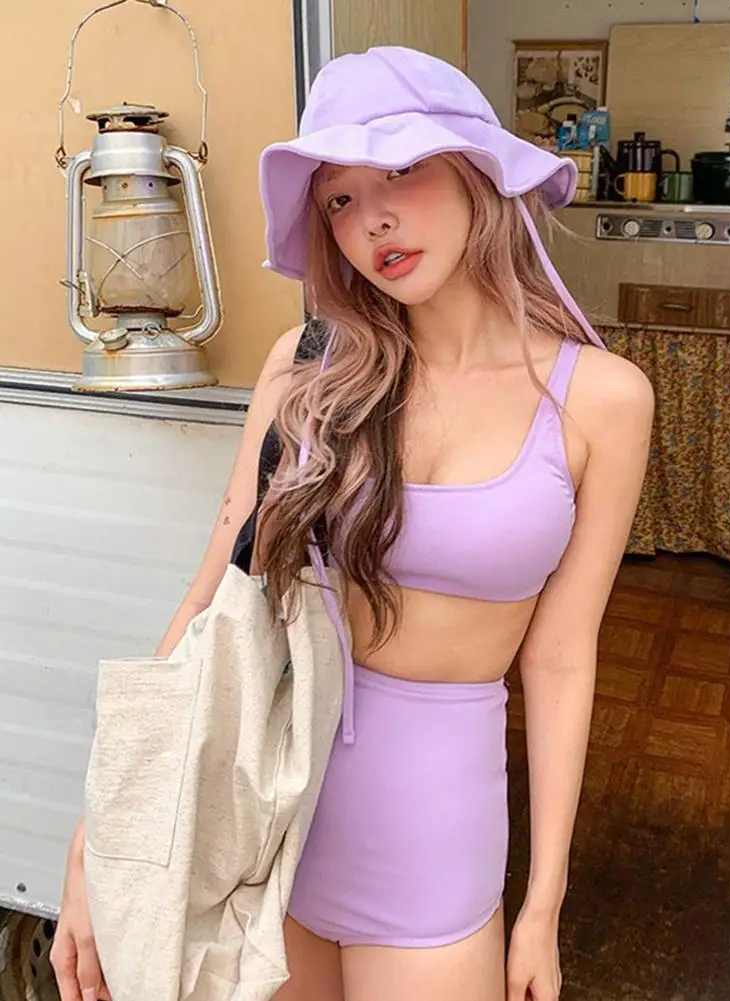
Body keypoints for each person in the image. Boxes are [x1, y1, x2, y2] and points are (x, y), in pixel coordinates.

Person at [51, 45, 654, 1001]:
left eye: (401, 172)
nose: (370, 219)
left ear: (479, 173)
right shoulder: (309, 366)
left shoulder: (603, 399)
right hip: (269, 813)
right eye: (337, 198)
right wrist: (104, 830)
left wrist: (542, 904)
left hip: (434, 837)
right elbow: (214, 589)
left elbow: (559, 658)